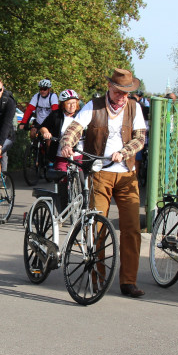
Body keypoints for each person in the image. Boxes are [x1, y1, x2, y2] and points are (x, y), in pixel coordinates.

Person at [60, 69, 147, 298]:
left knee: (131, 229)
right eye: (118, 92)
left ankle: (128, 281)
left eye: (126, 93)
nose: (122, 97)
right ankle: (97, 278)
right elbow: (74, 128)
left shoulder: (134, 108)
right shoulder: (94, 106)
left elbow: (140, 138)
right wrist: (67, 143)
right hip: (99, 173)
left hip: (127, 175)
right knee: (97, 227)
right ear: (109, 87)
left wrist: (124, 152)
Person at [38, 88, 83, 171]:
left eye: (74, 103)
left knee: (82, 176)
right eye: (69, 103)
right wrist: (46, 133)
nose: (72, 106)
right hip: (61, 155)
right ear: (63, 104)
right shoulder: (56, 115)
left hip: (79, 154)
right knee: (61, 176)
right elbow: (43, 127)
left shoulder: (81, 115)